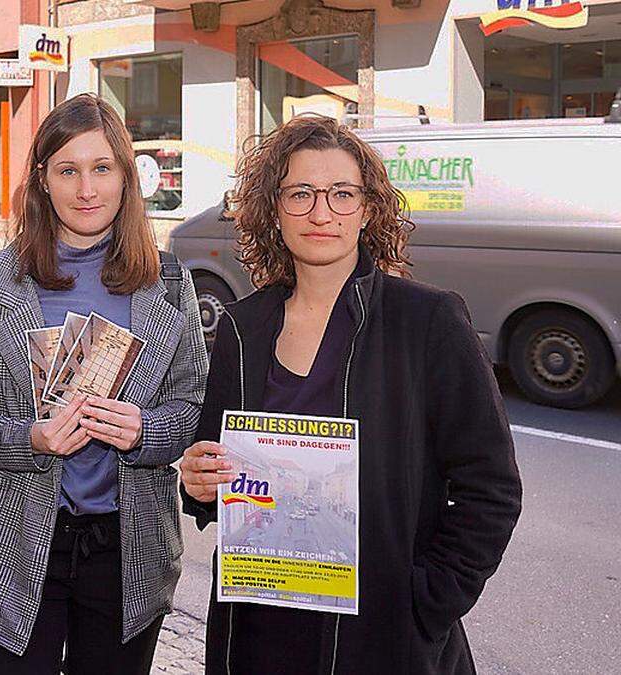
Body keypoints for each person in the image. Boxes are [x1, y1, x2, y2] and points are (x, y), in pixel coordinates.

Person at [179, 115, 522, 674]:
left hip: (382, 639)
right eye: (301, 194)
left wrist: (426, 599)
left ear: (366, 209)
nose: (321, 213)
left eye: (342, 194)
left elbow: (492, 489)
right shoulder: (243, 328)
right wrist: (198, 481)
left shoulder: (427, 321)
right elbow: (216, 472)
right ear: (274, 209)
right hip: (260, 629)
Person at [0, 94, 209, 675]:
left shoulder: (171, 282)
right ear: (43, 179)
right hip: (11, 543)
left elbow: (191, 404)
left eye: (102, 168)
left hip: (128, 549)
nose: (87, 189)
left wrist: (145, 431)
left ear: (125, 178)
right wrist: (29, 439)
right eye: (68, 170)